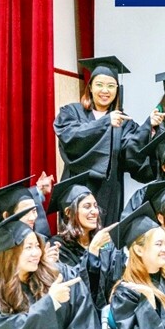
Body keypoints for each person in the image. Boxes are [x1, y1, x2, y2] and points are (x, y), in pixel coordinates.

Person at [54, 55, 140, 223]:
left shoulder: (123, 122)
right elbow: (70, 138)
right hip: (77, 189)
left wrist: (149, 128)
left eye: (111, 86)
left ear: (117, 90)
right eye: (99, 84)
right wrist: (105, 123)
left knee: (106, 235)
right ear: (90, 87)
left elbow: (133, 152)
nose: (105, 90)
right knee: (76, 234)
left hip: (109, 192)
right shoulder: (72, 112)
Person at [47, 173, 118, 308]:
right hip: (79, 315)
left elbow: (114, 278)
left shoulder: (104, 242)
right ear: (69, 212)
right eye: (87, 206)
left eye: (95, 206)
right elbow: (74, 286)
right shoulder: (58, 247)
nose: (95, 211)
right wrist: (92, 251)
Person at [0, 174, 56, 280]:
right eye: (26, 212)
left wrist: (49, 265)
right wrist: (41, 264)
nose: (33, 217)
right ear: (6, 216)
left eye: (34, 210)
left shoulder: (40, 241)